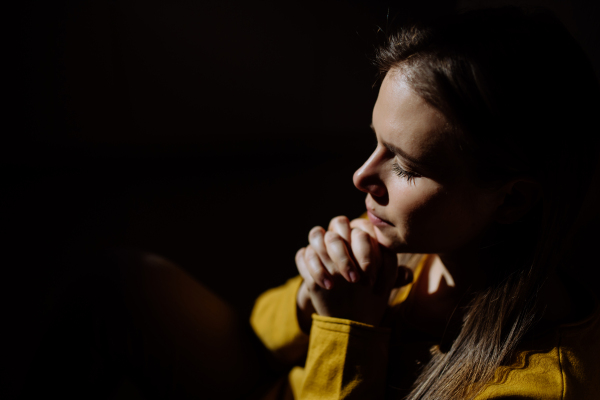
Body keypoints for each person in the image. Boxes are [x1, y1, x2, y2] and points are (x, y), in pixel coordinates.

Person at [19, 6, 600, 400]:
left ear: (512, 201)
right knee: (123, 282)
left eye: (406, 165)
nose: (361, 175)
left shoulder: (543, 382)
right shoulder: (418, 245)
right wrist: (309, 299)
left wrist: (345, 327)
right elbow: (258, 338)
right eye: (376, 143)